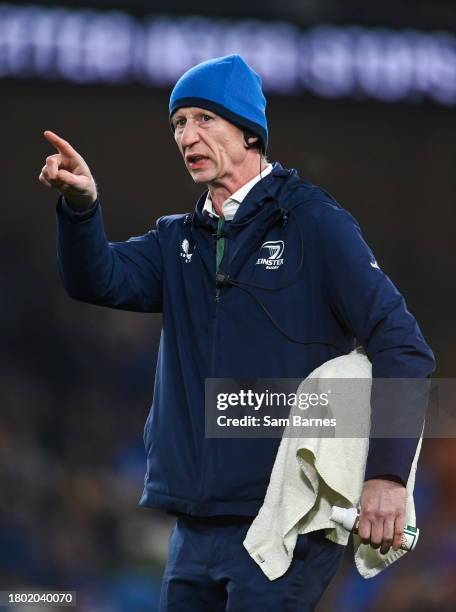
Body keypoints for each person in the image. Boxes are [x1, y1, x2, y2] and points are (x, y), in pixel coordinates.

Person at [39, 54, 435, 611]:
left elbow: (404, 347)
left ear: (249, 132)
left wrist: (387, 478)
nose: (186, 135)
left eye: (204, 119)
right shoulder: (177, 239)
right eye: (178, 123)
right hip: (195, 525)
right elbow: (97, 280)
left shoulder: (313, 223)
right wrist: (81, 210)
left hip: (284, 519)